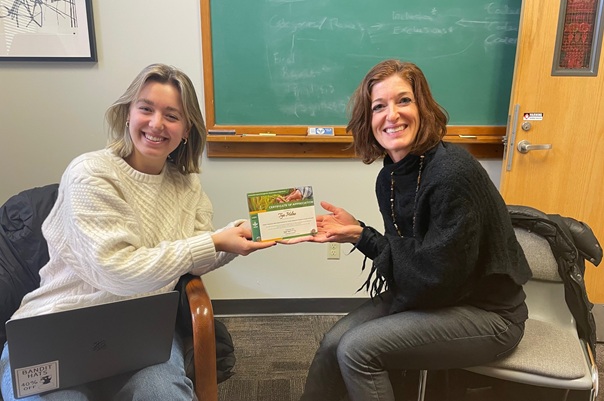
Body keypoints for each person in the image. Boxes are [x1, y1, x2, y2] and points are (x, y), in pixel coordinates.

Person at [0, 63, 275, 401]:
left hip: (137, 334)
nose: (156, 124)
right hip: (58, 326)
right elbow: (118, 271)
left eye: (172, 116)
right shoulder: (90, 173)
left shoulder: (187, 186)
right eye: (146, 109)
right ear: (127, 114)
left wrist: (237, 239)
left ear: (187, 129)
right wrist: (214, 240)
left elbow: (196, 258)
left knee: (164, 393)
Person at [299, 60, 532, 401]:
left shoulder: (452, 173)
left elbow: (436, 279)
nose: (391, 115)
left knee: (357, 350)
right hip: (436, 296)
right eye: (379, 106)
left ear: (423, 107)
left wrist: (363, 237)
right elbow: (414, 262)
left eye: (403, 101)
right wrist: (357, 233)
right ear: (369, 120)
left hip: (487, 314)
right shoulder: (390, 177)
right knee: (333, 343)